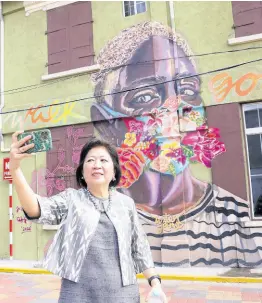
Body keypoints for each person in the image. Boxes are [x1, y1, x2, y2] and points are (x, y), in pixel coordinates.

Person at [90, 21, 262, 267]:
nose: (175, 108)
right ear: (108, 125)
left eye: (187, 89)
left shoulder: (234, 217)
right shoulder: (101, 217)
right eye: (145, 97)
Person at [9, 131, 167, 303]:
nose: (96, 165)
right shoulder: (71, 199)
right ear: (82, 172)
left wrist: (155, 284)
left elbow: (140, 248)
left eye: (103, 160)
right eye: (90, 160)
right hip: (77, 295)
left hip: (123, 295)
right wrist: (15, 169)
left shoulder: (126, 204)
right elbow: (36, 209)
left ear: (114, 172)